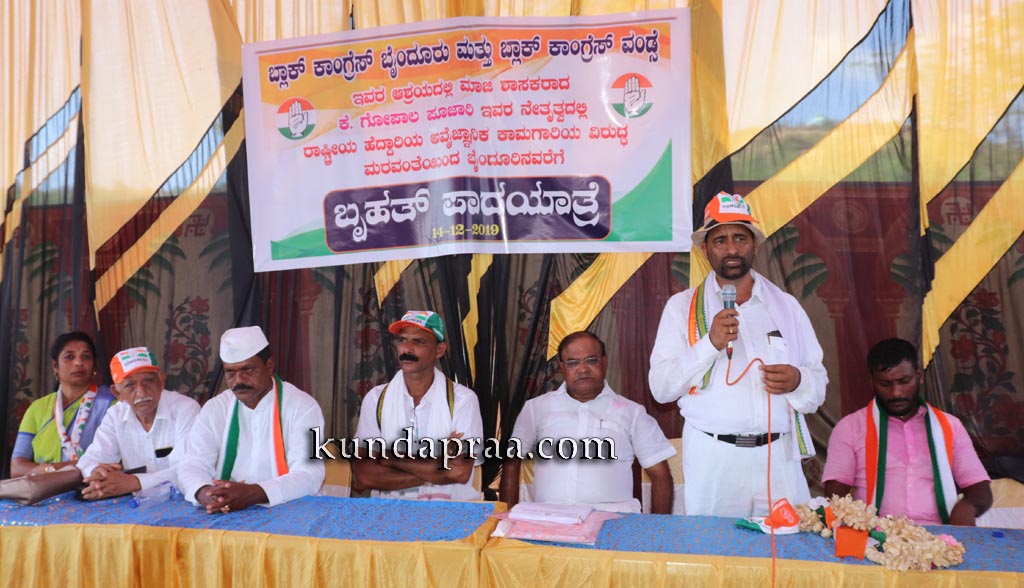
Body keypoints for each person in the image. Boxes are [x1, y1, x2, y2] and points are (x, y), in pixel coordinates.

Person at [649, 192, 828, 517]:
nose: (731, 249)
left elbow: (817, 384)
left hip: (778, 458)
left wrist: (797, 380)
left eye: (740, 238)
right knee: (715, 546)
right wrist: (710, 343)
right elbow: (661, 388)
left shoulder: (786, 307)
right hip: (715, 459)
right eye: (720, 240)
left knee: (787, 545)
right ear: (705, 250)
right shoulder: (682, 308)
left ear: (754, 245)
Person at [501, 331, 676, 514]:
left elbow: (660, 475)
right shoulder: (536, 409)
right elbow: (512, 463)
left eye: (591, 360)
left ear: (605, 362)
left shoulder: (632, 413)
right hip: (550, 519)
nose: (583, 369)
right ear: (562, 367)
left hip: (613, 520)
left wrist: (658, 526)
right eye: (573, 362)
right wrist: (506, 517)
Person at [823, 338, 992, 526]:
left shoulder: (950, 426)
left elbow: (980, 490)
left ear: (919, 376)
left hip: (939, 536)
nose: (896, 392)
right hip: (875, 536)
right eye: (885, 384)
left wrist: (966, 508)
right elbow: (835, 495)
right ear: (872, 382)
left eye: (904, 381)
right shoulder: (850, 428)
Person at [177, 326, 325, 512]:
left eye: (247, 369)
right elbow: (192, 464)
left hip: (292, 511)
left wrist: (253, 493)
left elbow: (310, 474)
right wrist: (206, 493)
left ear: (269, 365)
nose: (239, 380)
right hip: (227, 511)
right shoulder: (215, 409)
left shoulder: (303, 406)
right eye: (230, 373)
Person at [352, 310, 483, 500]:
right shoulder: (376, 399)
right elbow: (364, 476)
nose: (407, 349)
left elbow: (459, 472)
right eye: (402, 340)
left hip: (448, 512)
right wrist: (437, 466)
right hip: (389, 513)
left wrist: (390, 457)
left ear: (439, 350)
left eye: (419, 342)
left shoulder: (462, 400)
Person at [76, 347, 200, 500]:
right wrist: (97, 473)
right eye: (130, 385)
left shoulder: (185, 409)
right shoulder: (115, 415)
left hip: (184, 501)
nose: (141, 392)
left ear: (161, 381)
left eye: (148, 381)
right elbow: (89, 460)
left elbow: (190, 469)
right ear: (118, 393)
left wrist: (135, 482)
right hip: (139, 505)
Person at [10, 331, 117, 478]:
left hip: (92, 486)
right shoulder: (38, 408)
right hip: (42, 488)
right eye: (70, 357)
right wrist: (49, 472)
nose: (78, 363)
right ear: (55, 366)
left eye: (86, 357)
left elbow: (111, 462)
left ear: (94, 366)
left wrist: (50, 469)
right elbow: (16, 467)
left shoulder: (111, 404)